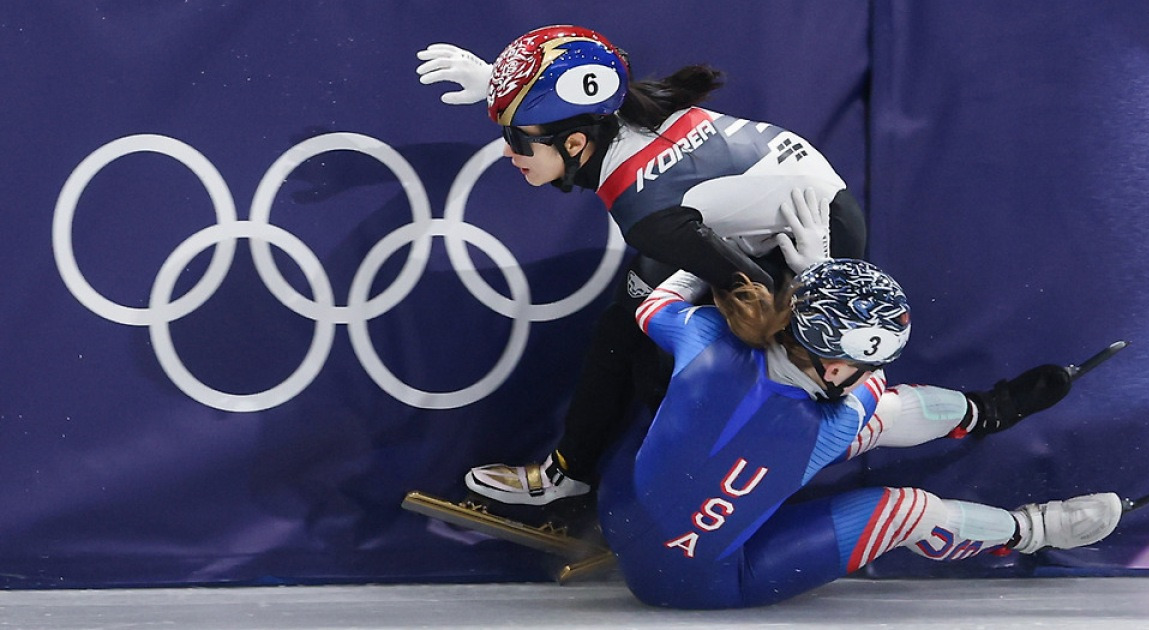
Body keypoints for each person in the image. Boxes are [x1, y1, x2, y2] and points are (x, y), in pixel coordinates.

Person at [415, 26, 1071, 507]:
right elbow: (587, 81)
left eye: (515, 140)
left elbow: (752, 292)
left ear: (576, 140)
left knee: (798, 396)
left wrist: (810, 285)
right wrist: (498, 92)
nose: (508, 154)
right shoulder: (631, 112)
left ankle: (980, 412)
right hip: (776, 218)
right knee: (633, 321)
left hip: (812, 239)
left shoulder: (640, 203)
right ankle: (576, 472)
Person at [595, 258, 1123, 609]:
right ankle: (1021, 528)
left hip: (618, 506)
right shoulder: (846, 413)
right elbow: (870, 393)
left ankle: (986, 420)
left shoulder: (706, 334)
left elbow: (654, 306)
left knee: (703, 419)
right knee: (909, 506)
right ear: (834, 367)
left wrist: (713, 246)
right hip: (702, 584)